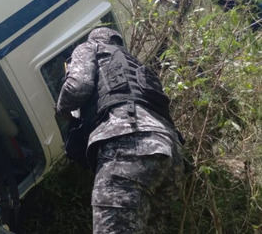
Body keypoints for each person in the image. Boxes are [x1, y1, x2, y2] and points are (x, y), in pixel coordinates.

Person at [56, 27, 185, 234]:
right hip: (172, 157)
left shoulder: (91, 47)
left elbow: (77, 86)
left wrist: (61, 109)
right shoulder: (135, 65)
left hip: (129, 143)